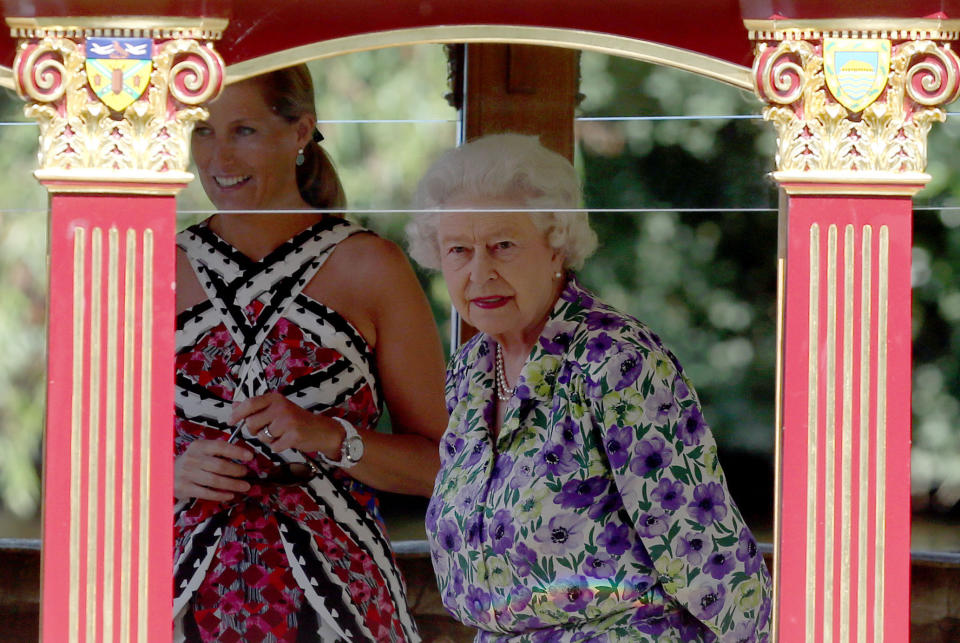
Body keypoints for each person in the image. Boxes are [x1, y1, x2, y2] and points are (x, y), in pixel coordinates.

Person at [408, 134, 772, 642]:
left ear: (557, 245)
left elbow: (704, 552)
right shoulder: (471, 369)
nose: (479, 272)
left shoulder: (617, 361)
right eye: (458, 251)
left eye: (503, 246)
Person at [173, 64, 448, 642]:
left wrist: (328, 437)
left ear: (301, 131)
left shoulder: (371, 267)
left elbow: (446, 468)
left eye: (243, 130)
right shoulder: (150, 267)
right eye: (202, 129)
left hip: (339, 605)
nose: (218, 157)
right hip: (169, 602)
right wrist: (166, 474)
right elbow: (87, 458)